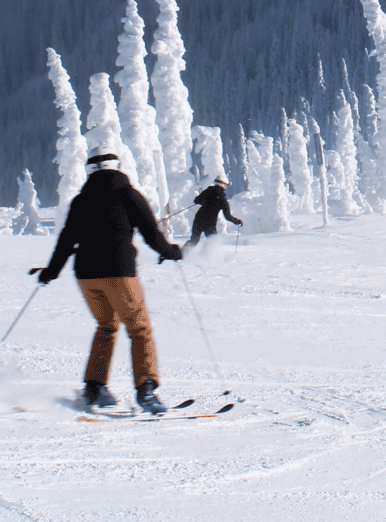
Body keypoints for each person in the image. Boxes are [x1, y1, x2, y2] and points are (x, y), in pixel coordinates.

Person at [36, 153, 185, 413]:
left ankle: (95, 388)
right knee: (139, 329)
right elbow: (151, 233)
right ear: (118, 168)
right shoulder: (129, 195)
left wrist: (51, 271)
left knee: (106, 326)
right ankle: (146, 390)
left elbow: (66, 239)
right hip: (119, 272)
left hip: (85, 275)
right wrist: (170, 251)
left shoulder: (81, 200)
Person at [189, 176, 243, 245]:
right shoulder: (223, 199)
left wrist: (205, 202)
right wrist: (237, 221)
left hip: (198, 219)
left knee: (194, 241)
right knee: (212, 242)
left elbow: (196, 200)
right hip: (209, 223)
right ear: (224, 185)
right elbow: (227, 216)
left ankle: (181, 254)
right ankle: (204, 255)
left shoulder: (208, 191)